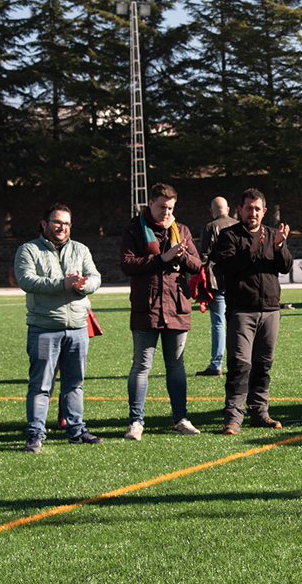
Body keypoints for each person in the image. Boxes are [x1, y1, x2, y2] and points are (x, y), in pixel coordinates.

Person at [15, 203, 103, 452]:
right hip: (44, 327)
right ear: (44, 224)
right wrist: (62, 284)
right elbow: (26, 280)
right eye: (57, 222)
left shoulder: (80, 249)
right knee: (41, 385)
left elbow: (96, 277)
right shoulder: (28, 250)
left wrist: (84, 285)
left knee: (75, 383)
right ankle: (35, 434)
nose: (62, 227)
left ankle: (76, 431)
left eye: (66, 223)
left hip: (77, 327)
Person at [120, 184, 203, 440]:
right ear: (150, 204)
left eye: (170, 208)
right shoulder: (134, 229)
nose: (166, 213)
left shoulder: (183, 230)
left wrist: (184, 254)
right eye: (161, 207)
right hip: (147, 308)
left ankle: (180, 419)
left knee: (176, 366)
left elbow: (197, 264)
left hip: (177, 308)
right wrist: (161, 258)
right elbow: (126, 264)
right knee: (141, 366)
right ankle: (136, 421)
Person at [212, 188, 292, 434]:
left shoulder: (272, 234)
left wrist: (279, 247)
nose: (253, 213)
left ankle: (260, 413)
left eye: (257, 209)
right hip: (241, 311)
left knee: (263, 365)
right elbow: (224, 267)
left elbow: (286, 267)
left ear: (264, 211)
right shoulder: (229, 235)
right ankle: (233, 418)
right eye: (248, 208)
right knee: (239, 364)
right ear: (240, 210)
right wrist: (251, 250)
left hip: (270, 310)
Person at [196, 196, 238, 377]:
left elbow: (203, 256)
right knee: (238, 323)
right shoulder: (239, 225)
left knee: (219, 324)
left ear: (212, 211)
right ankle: (239, 362)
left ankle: (216, 364)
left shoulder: (210, 227)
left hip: (217, 281)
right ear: (228, 209)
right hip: (237, 280)